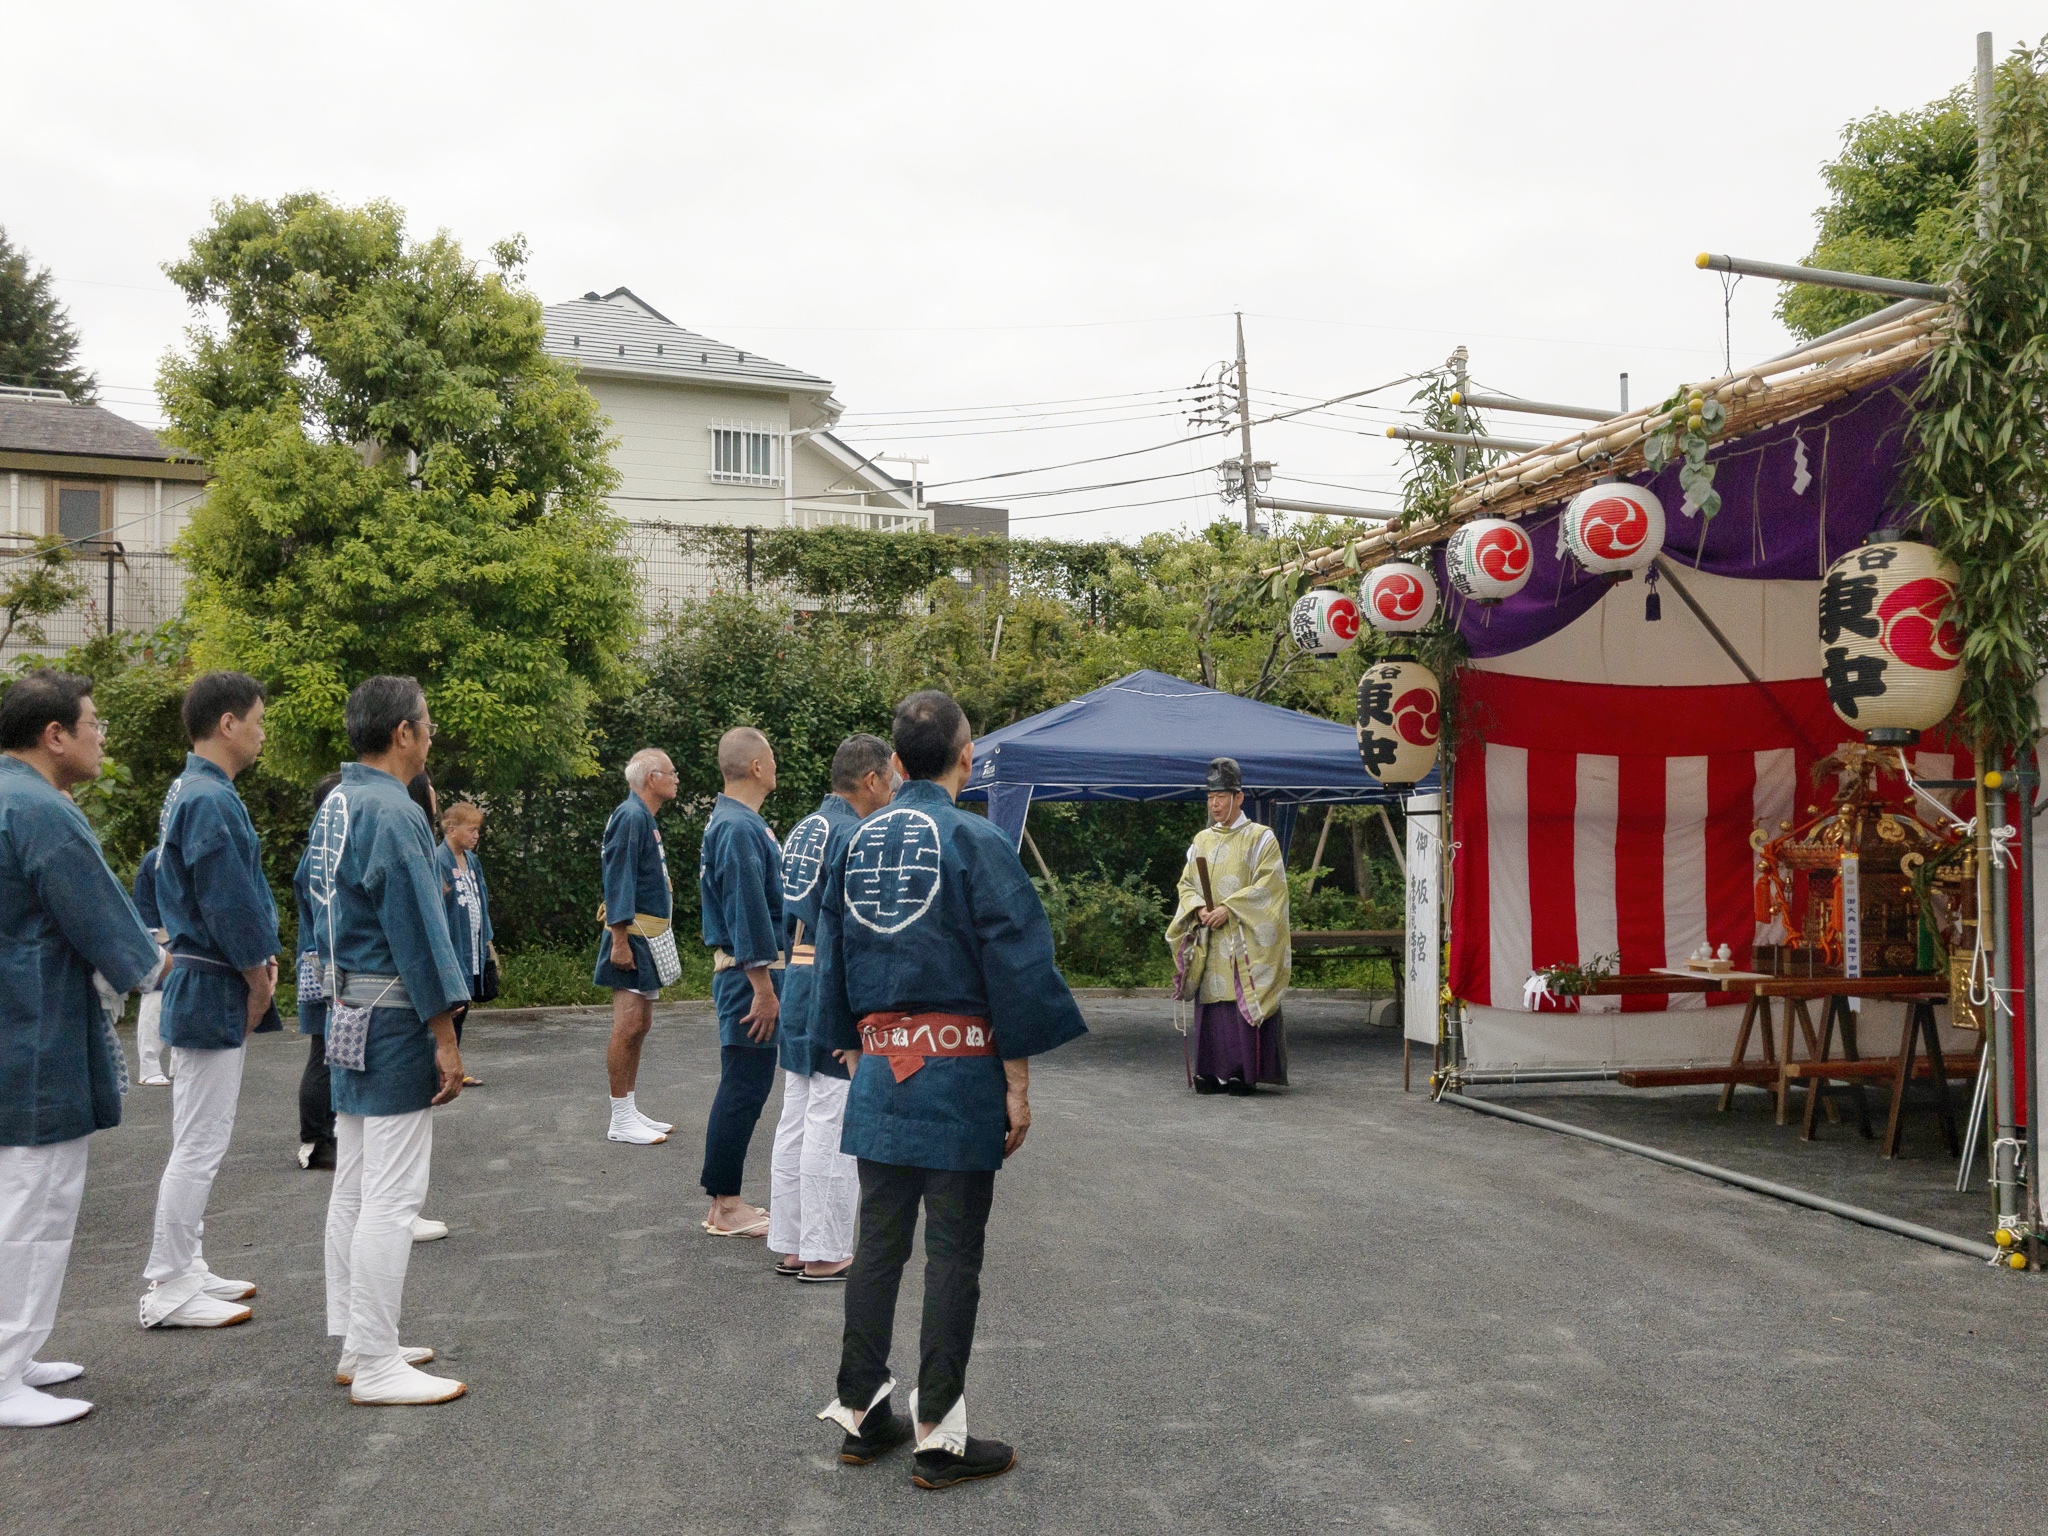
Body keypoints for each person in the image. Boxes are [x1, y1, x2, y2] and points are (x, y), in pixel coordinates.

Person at [812, 691, 1086, 1491]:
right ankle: (939, 1435)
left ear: (896, 764)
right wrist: (1019, 1082)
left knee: (879, 1248)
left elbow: (831, 957)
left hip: (879, 1074)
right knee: (952, 1256)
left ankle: (862, 1415)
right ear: (966, 757)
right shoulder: (976, 839)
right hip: (960, 1073)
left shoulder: (856, 841)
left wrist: (854, 1046)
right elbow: (1015, 959)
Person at [0, 671, 163, 1427]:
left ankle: (19, 1353)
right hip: (35, 1030)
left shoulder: (13, 799)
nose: (103, 736)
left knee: (30, 1199)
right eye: (93, 722)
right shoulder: (41, 811)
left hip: (22, 1023)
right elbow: (105, 922)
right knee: (33, 1202)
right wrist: (157, 964)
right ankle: (4, 1371)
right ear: (54, 734)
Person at [308, 675, 470, 1406]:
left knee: (356, 1180)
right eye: (426, 723)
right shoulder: (396, 814)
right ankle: (373, 1359)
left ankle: (357, 1337)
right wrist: (447, 1035)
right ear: (403, 733)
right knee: (394, 1194)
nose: (432, 734)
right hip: (395, 1015)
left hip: (347, 1009)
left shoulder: (337, 803)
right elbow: (420, 934)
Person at [139, 671, 280, 1330]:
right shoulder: (209, 798)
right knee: (198, 1143)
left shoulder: (190, 790)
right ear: (228, 723)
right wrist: (257, 970)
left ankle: (187, 1267)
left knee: (199, 1139)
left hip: (201, 976)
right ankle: (168, 1283)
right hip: (211, 976)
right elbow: (228, 896)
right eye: (257, 719)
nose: (261, 731)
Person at [767, 733, 894, 1282]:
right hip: (829, 976)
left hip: (795, 972)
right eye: (890, 780)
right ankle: (823, 1248)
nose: (892, 791)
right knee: (832, 1114)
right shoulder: (855, 832)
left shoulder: (805, 826)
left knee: (796, 1111)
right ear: (871, 780)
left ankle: (794, 1241)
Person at [697, 727, 783, 1238]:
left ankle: (724, 1201)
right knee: (744, 1086)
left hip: (745, 974)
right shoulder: (739, 828)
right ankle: (725, 1205)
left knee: (744, 1084)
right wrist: (764, 988)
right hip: (747, 978)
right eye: (770, 758)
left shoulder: (735, 822)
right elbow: (747, 911)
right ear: (755, 767)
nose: (775, 766)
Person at [1165, 756, 1291, 1096]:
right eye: (1210, 797)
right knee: (1212, 1004)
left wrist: (1229, 909)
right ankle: (1212, 1071)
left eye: (1221, 796)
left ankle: (1243, 1072)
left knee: (1240, 1001)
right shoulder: (1202, 840)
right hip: (1210, 936)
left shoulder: (1261, 838)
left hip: (1242, 937)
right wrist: (1198, 909)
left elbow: (1270, 888)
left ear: (1239, 797)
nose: (1215, 803)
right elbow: (1186, 884)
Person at [595, 748, 681, 1145]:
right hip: (631, 936)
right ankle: (619, 1117)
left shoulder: (642, 816)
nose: (677, 777)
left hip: (646, 935)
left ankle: (629, 1108)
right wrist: (618, 939)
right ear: (652, 779)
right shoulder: (631, 816)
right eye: (671, 772)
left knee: (641, 1024)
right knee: (628, 1025)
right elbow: (618, 877)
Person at [294, 772, 343, 1171]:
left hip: (319, 961)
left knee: (328, 1051)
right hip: (320, 964)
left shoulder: (321, 849)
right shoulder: (320, 853)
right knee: (323, 1052)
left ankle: (326, 1132)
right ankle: (314, 1139)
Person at [434, 800, 493, 1082]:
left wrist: (488, 942)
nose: (476, 835)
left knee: (463, 1006)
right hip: (451, 946)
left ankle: (454, 1067)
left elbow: (483, 901)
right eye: (472, 829)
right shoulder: (438, 860)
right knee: (451, 1007)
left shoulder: (473, 861)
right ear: (452, 829)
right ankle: (442, 1069)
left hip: (472, 945)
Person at [132, 846, 171, 1086]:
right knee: (156, 993)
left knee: (186, 995)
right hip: (163, 935)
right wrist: (151, 938)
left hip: (193, 937)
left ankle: (180, 1060)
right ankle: (148, 1066)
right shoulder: (156, 858)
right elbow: (144, 903)